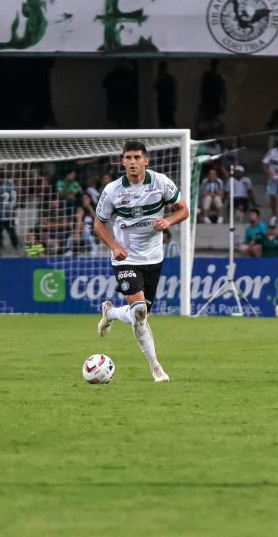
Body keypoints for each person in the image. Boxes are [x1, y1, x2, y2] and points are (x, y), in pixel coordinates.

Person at [94, 141, 189, 383]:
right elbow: (98, 223)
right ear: (122, 161)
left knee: (141, 316)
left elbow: (183, 210)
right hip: (126, 258)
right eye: (128, 158)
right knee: (139, 310)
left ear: (146, 160)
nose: (133, 162)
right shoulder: (113, 190)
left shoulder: (161, 183)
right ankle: (156, 367)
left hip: (154, 258)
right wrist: (115, 247)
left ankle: (111, 312)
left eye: (137, 157)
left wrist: (168, 221)